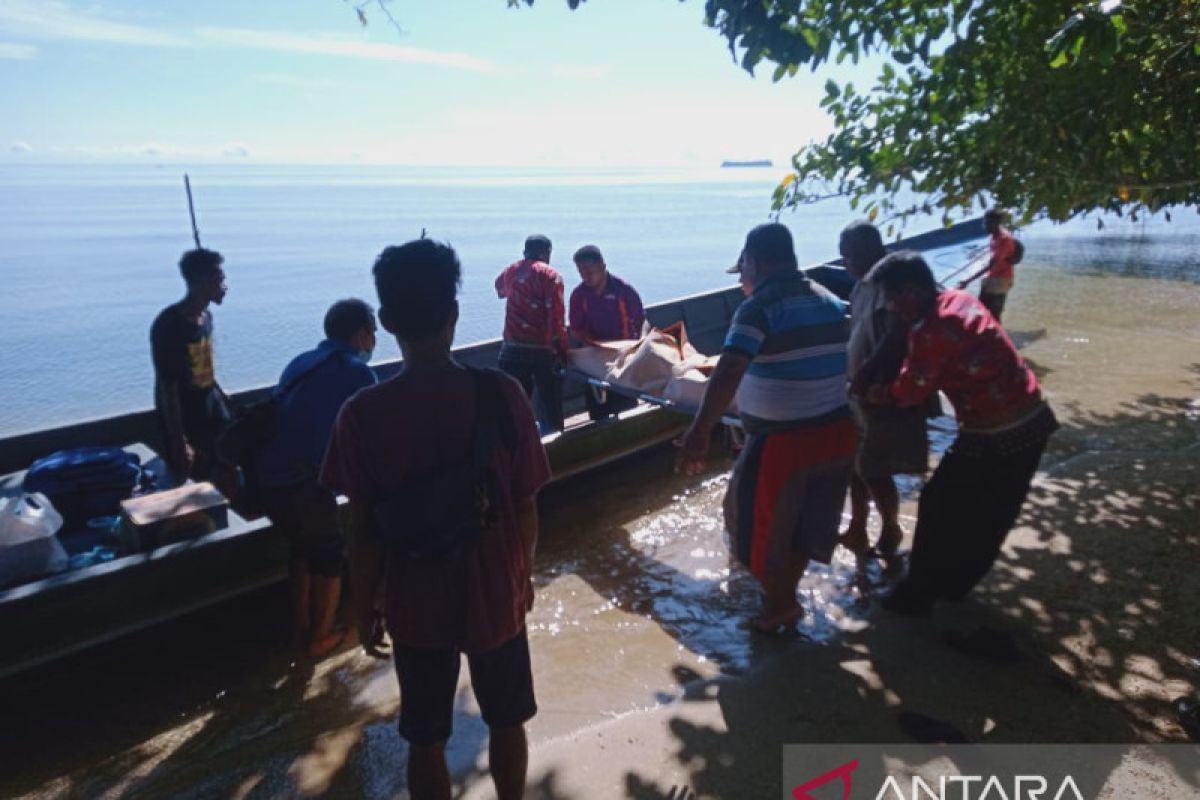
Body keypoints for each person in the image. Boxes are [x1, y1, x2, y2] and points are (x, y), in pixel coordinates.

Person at [322, 239, 549, 800]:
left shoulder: (361, 415)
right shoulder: (503, 393)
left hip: (415, 597)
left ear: (389, 321)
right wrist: (523, 577)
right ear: (453, 315)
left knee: (425, 739)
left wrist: (365, 604)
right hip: (495, 587)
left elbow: (364, 531)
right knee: (506, 720)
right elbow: (525, 504)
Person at [677, 223, 857, 635]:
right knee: (800, 528)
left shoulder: (759, 307)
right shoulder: (830, 300)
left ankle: (778, 605)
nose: (741, 282)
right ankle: (784, 600)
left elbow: (728, 371)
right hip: (837, 435)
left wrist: (699, 432)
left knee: (747, 521)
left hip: (785, 444)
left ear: (754, 263)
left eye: (741, 272)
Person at [860, 251, 1058, 615]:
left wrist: (877, 393)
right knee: (987, 509)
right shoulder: (960, 299)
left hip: (1001, 430)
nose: (889, 307)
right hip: (1028, 417)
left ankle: (920, 593)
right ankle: (951, 586)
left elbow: (911, 391)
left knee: (945, 505)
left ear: (912, 291)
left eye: (890, 297)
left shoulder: (930, 330)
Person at [255, 298, 378, 657]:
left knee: (302, 550)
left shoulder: (301, 362)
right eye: (373, 334)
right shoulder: (357, 371)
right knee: (329, 554)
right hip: (302, 481)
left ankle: (302, 627)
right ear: (360, 335)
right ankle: (320, 639)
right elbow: (368, 433)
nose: (374, 341)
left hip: (267, 477)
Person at [838, 221, 929, 561]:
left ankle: (890, 528)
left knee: (874, 467)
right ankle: (858, 526)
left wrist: (864, 376)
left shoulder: (889, 282)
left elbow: (895, 336)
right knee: (854, 464)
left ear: (868, 250)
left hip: (879, 389)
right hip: (858, 389)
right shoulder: (862, 285)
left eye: (849, 255)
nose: (845, 261)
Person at [150, 248, 231, 482]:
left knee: (225, 470)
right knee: (193, 481)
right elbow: (168, 387)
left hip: (211, 407)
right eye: (219, 279)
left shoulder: (206, 317)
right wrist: (179, 441)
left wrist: (220, 393)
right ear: (202, 282)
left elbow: (202, 362)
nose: (224, 285)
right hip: (187, 417)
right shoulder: (169, 325)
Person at [495, 234, 568, 434]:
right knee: (550, 403)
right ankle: (554, 447)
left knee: (513, 405)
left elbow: (499, 290)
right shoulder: (551, 275)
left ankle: (514, 450)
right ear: (547, 253)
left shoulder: (511, 271)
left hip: (512, 348)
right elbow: (557, 317)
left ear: (525, 252)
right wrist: (562, 350)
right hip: (543, 349)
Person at [568, 244, 646, 419]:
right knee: (598, 410)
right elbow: (576, 329)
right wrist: (595, 345)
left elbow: (641, 321)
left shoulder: (624, 290)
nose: (585, 277)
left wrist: (635, 348)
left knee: (626, 407)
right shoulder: (578, 295)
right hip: (595, 356)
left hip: (623, 356)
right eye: (581, 273)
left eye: (590, 272)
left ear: (603, 266)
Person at [957, 207, 1019, 322]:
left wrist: (967, 281)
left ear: (996, 223)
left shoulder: (1004, 239)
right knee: (980, 309)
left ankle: (998, 338)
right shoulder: (993, 235)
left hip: (1001, 280)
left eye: (988, 223)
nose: (985, 225)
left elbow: (992, 264)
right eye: (985, 222)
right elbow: (992, 258)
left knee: (995, 315)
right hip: (992, 277)